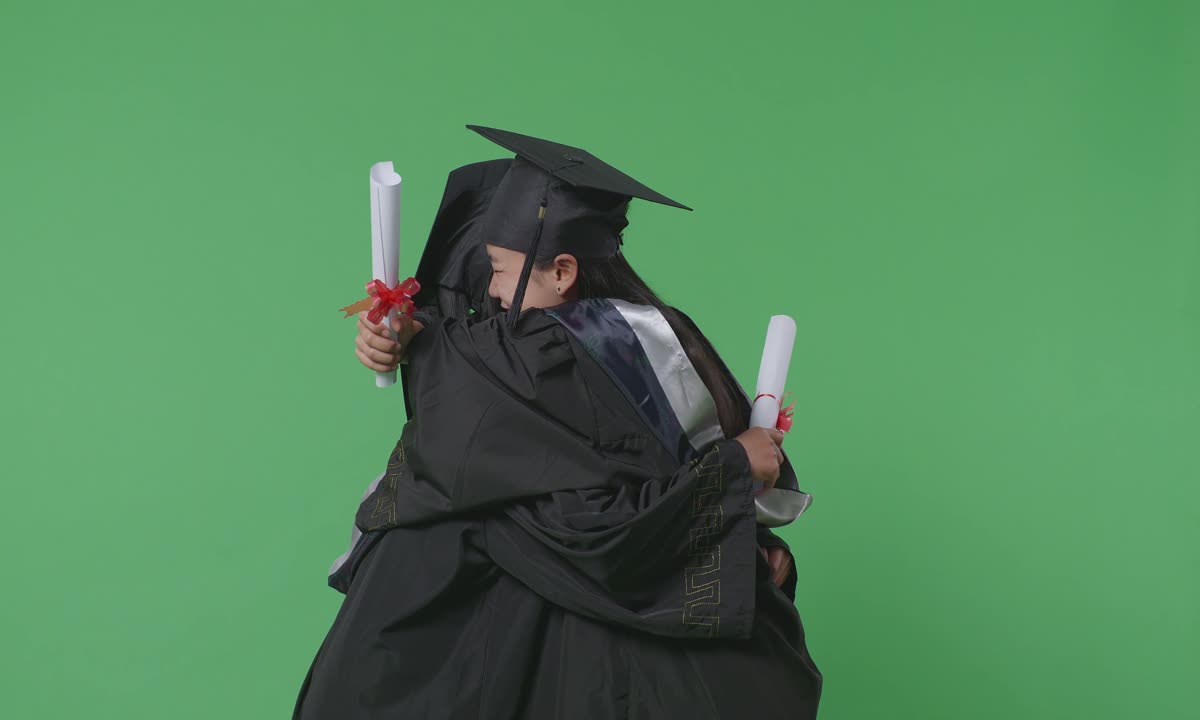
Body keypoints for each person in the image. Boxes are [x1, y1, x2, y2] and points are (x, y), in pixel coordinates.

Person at [294, 126, 821, 719]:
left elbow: (469, 376)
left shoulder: (519, 357)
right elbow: (702, 466)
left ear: (563, 272)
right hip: (621, 605)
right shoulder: (658, 336)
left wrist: (411, 337)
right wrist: (741, 466)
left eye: (496, 269)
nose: (487, 291)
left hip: (525, 621)